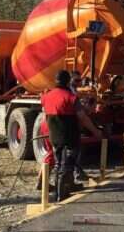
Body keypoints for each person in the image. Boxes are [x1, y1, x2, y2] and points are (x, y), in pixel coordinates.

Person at [41, 70, 103, 201]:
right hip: (70, 136)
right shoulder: (71, 97)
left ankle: (64, 189)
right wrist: (95, 131)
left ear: (55, 81)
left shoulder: (46, 96)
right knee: (68, 163)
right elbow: (83, 118)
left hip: (54, 136)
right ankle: (60, 194)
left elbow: (45, 116)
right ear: (67, 81)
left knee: (58, 163)